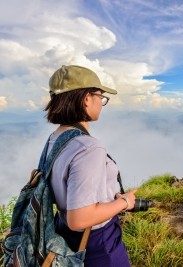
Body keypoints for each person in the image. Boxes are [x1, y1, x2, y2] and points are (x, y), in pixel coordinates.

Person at [44, 65, 135, 266]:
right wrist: (125, 202)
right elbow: (80, 218)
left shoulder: (56, 138)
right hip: (95, 242)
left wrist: (109, 196)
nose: (102, 103)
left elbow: (70, 189)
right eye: (100, 97)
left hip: (63, 229)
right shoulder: (87, 147)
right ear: (86, 98)